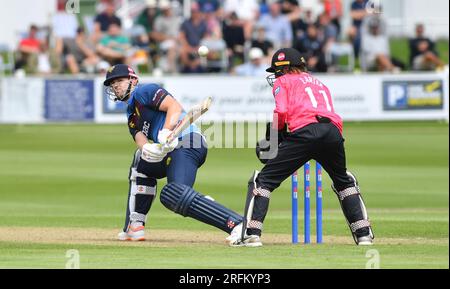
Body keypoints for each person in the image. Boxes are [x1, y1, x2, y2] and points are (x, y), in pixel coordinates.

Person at [227, 48, 374, 247]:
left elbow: (281, 110)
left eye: (277, 70)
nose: (275, 76)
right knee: (343, 181)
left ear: (286, 68)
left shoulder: (283, 81)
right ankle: (364, 235)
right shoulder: (319, 82)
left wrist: (275, 136)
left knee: (263, 180)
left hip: (305, 133)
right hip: (332, 132)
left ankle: (251, 234)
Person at [103, 64, 243, 241]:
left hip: (189, 142)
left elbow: (174, 107)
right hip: (169, 149)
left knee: (175, 194)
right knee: (143, 163)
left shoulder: (144, 91)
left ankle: (236, 224)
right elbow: (139, 138)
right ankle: (134, 225)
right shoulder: (131, 114)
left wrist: (167, 130)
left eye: (120, 81)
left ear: (134, 80)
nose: (116, 86)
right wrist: (148, 148)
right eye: (113, 83)